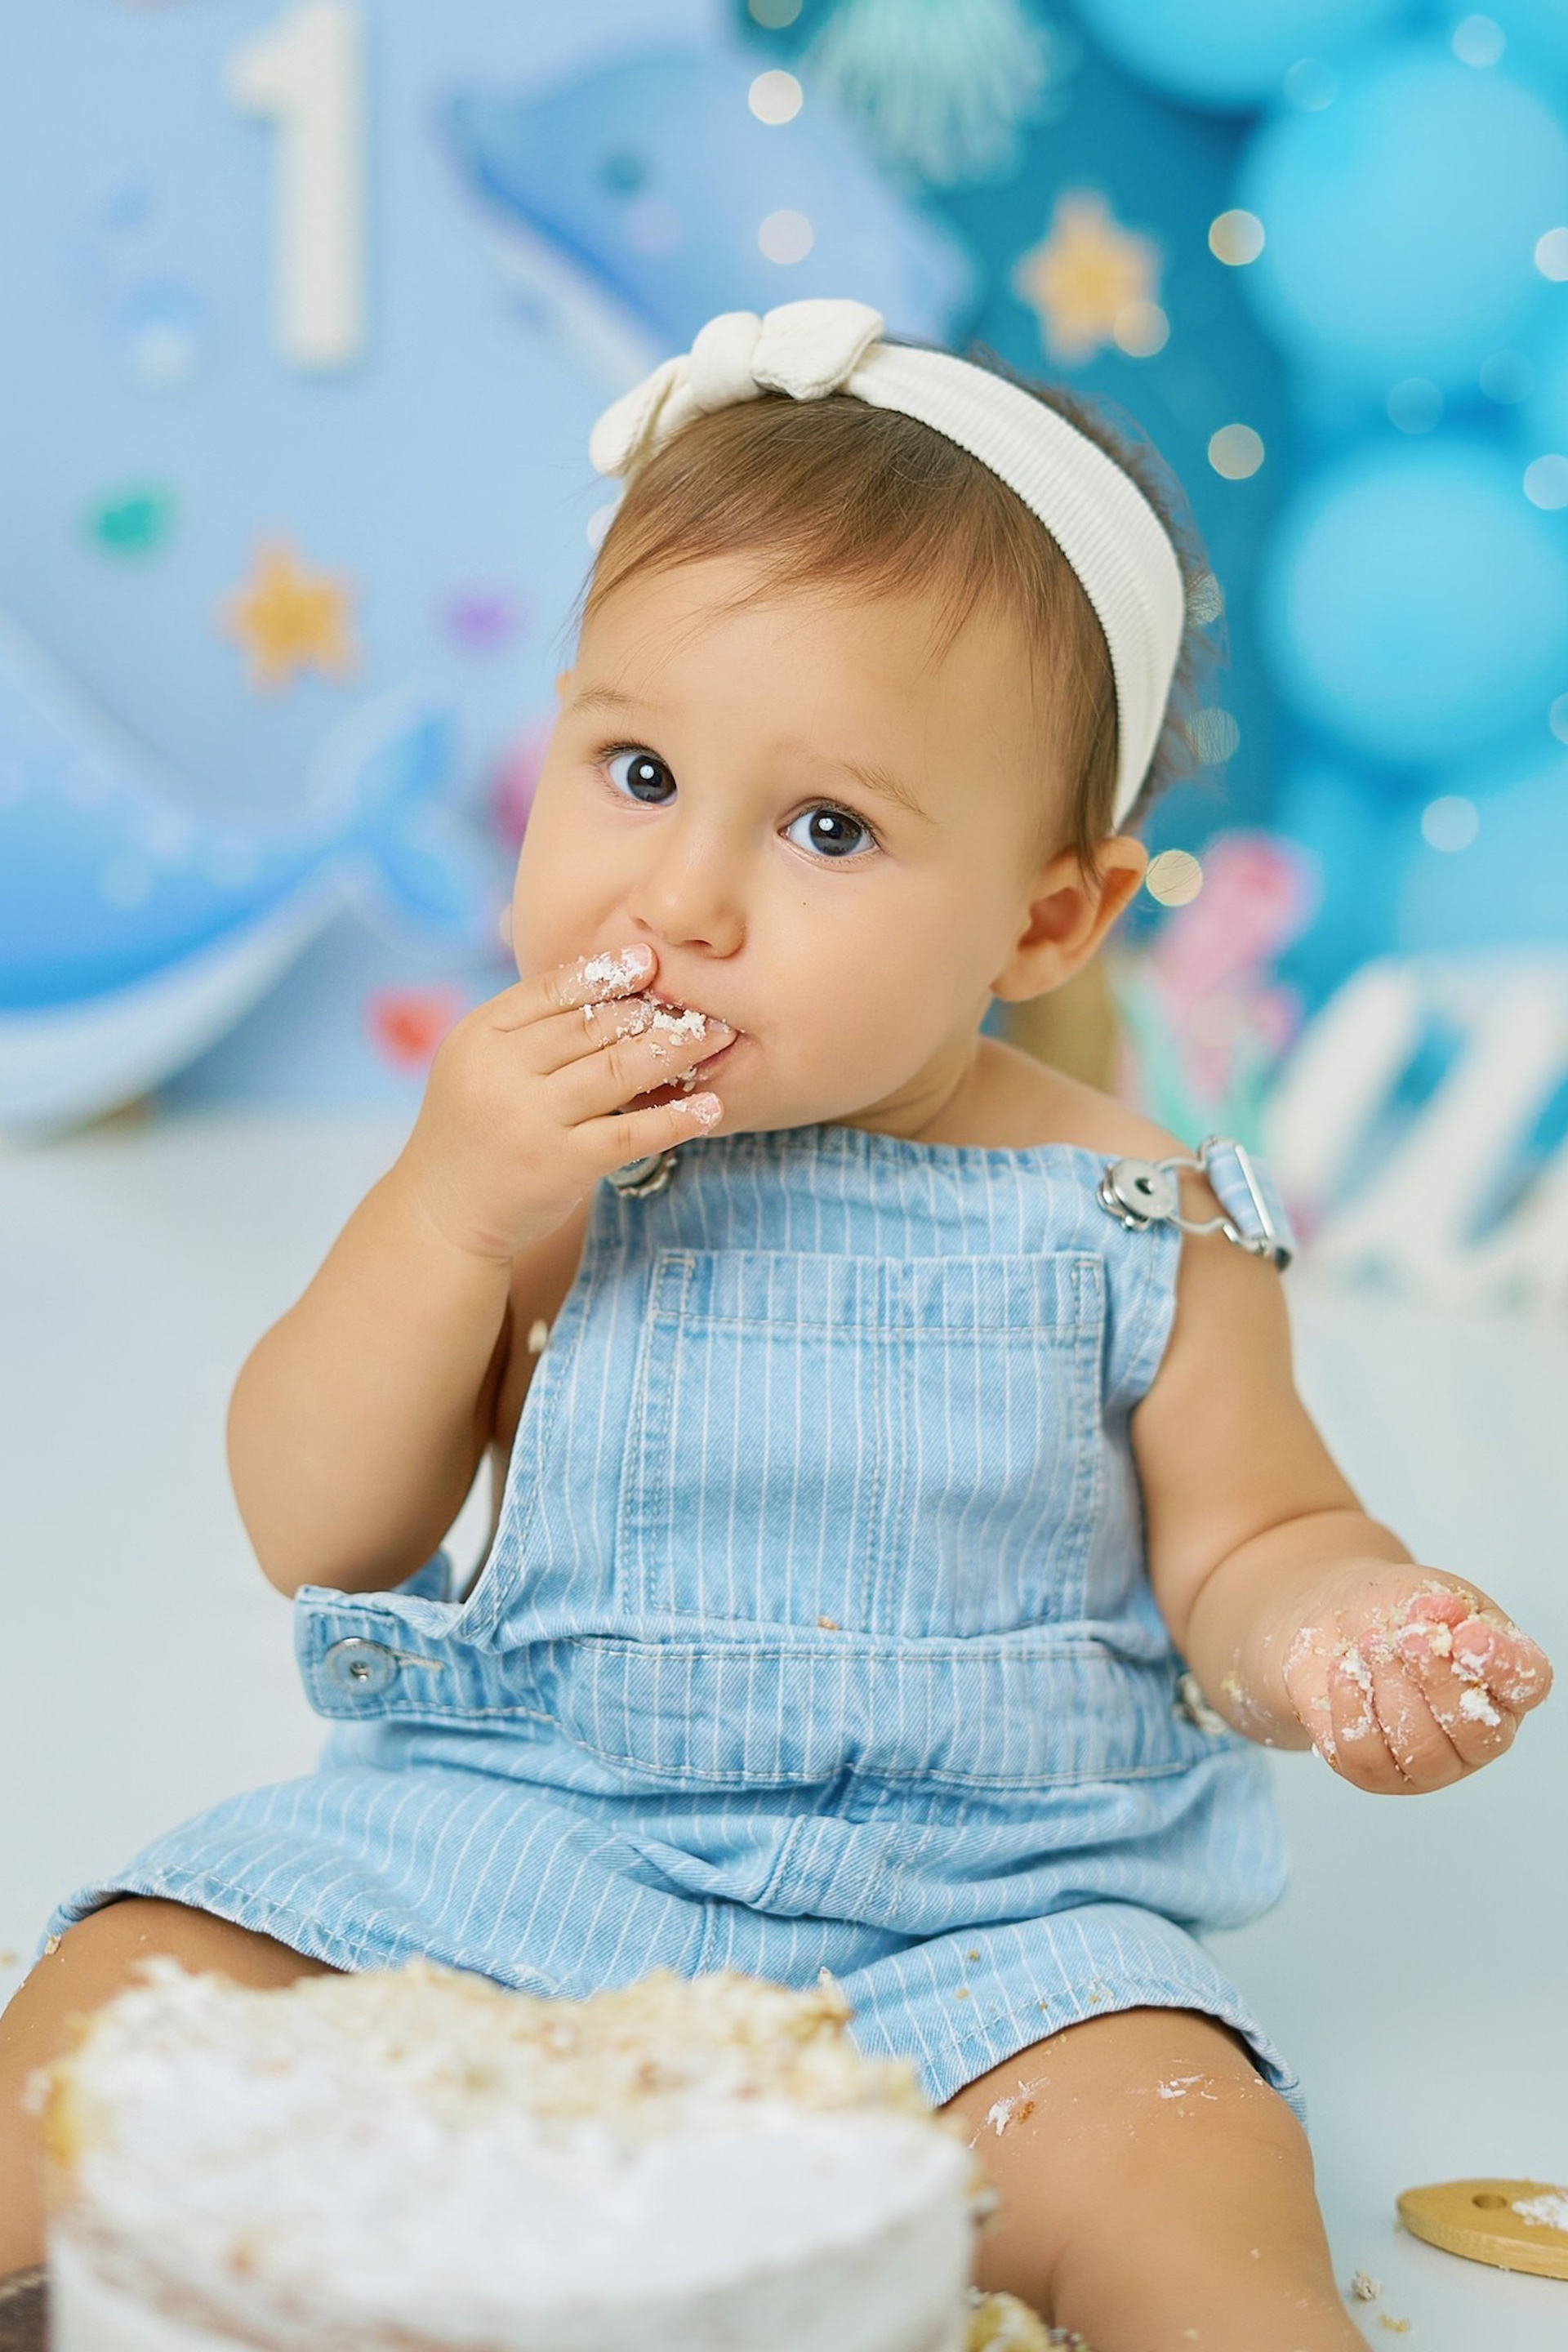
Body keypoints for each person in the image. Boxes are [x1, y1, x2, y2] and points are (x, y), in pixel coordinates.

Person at [0, 298, 1552, 2348]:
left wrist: (1336, 1635)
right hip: (505, 1853)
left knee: (1185, 2156)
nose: (687, 897)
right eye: (637, 769)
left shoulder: (1137, 1218)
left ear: (1047, 916)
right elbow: (321, 1529)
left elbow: (1253, 1540)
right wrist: (446, 1212)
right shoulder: (539, 1160)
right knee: (126, 2000)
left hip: (985, 1946)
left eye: (829, 829)